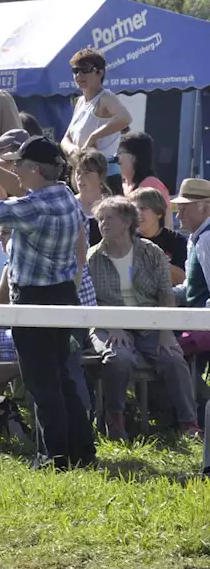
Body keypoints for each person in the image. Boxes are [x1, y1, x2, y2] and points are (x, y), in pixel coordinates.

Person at [0, 135, 95, 469]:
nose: (14, 170)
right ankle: (81, 452)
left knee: (41, 382)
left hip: (34, 299)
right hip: (64, 295)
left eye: (19, 164)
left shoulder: (34, 206)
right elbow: (21, 187)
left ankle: (54, 457)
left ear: (35, 168)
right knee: (63, 378)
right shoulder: (63, 194)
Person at [85, 196, 198, 439]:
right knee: (119, 358)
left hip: (150, 322)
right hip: (108, 323)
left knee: (173, 357)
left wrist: (166, 332)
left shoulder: (151, 252)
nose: (103, 223)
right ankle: (115, 419)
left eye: (109, 218)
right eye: (100, 219)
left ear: (127, 222)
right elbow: (88, 300)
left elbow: (166, 294)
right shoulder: (92, 257)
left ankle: (188, 422)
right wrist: (110, 325)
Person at [60, 48, 130, 171]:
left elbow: (125, 118)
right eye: (75, 70)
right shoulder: (80, 102)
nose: (79, 75)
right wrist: (73, 150)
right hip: (83, 170)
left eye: (85, 70)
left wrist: (94, 137)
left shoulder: (105, 97)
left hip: (105, 172)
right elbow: (66, 138)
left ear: (100, 72)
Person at [132, 187, 186, 286]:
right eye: (135, 209)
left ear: (159, 213)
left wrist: (161, 263)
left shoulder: (176, 240)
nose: (138, 214)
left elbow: (184, 280)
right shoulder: (128, 240)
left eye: (143, 209)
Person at [172, 178, 210, 308]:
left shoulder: (206, 238)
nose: (178, 216)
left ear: (205, 208)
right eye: (178, 209)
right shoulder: (196, 237)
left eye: (184, 209)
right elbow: (191, 285)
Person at [118, 132, 168, 207]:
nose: (116, 157)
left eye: (120, 152)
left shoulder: (151, 185)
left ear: (135, 157)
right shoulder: (123, 185)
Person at [70, 147, 108, 246]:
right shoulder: (68, 206)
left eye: (86, 173)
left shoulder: (112, 208)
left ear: (101, 176)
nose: (80, 178)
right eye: (78, 172)